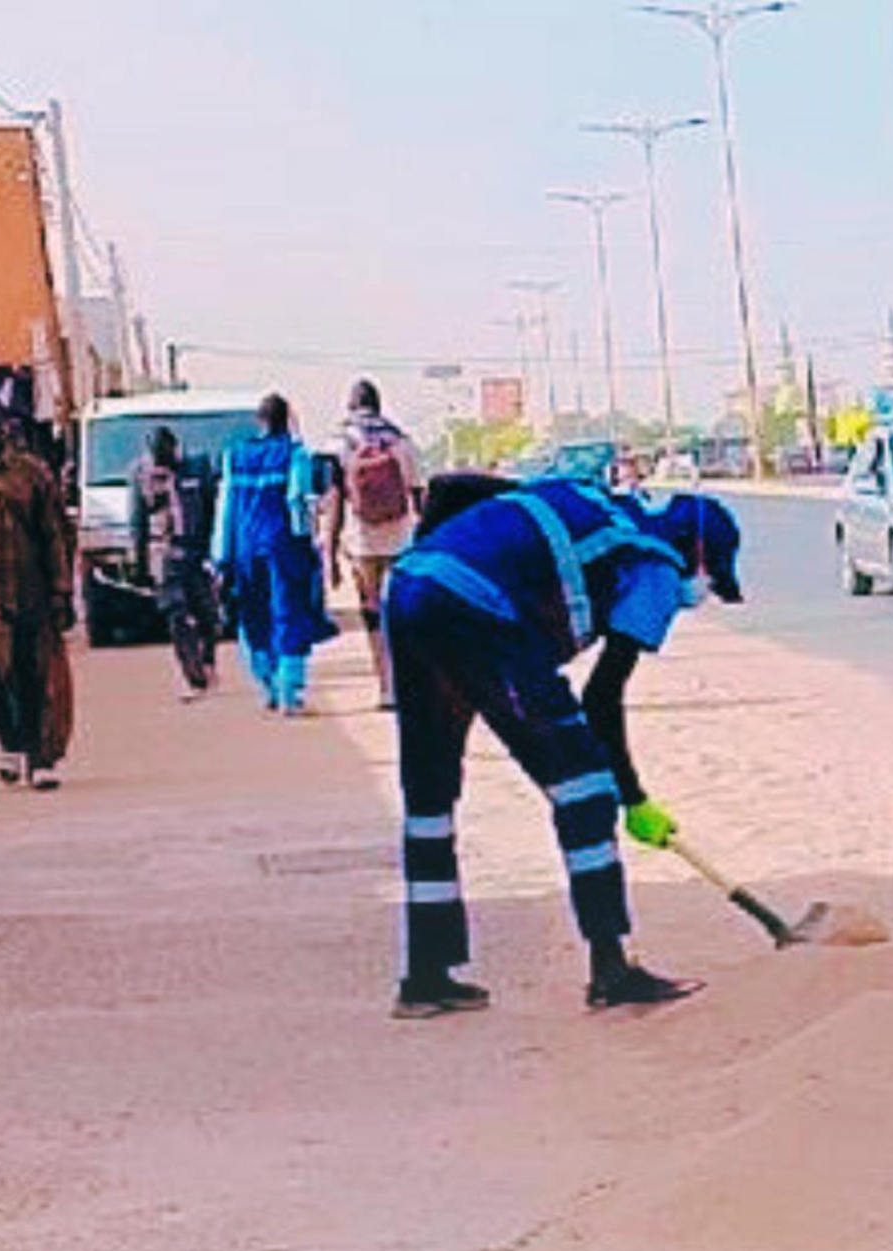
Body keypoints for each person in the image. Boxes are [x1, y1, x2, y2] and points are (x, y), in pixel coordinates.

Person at [384, 476, 745, 1019]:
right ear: (698, 553)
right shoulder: (656, 564)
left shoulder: (593, 502)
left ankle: (427, 978)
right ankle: (611, 969)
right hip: (478, 612)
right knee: (585, 789)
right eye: (710, 579)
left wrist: (438, 551)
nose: (698, 591)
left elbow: (451, 487)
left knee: (429, 796)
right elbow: (602, 696)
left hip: (410, 586)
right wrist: (631, 797)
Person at [0, 388, 75, 790]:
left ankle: (37, 757)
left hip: (30, 586)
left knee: (31, 673)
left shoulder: (30, 474)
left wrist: (61, 590)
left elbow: (54, 534)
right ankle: (6, 743)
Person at [216, 394, 330, 716]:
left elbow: (225, 510)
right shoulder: (295, 454)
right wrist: (308, 543)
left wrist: (221, 555)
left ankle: (266, 684)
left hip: (245, 548)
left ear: (259, 420)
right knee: (289, 613)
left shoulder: (234, 456)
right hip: (283, 545)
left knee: (253, 617)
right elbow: (298, 501)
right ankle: (290, 693)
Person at [327, 380, 423, 710]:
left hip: (361, 543)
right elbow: (418, 494)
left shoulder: (342, 444)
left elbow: (335, 501)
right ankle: (407, 682)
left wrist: (329, 554)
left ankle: (386, 687)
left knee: (372, 616)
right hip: (400, 539)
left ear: (351, 406)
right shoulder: (402, 441)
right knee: (400, 613)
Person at [131, 426, 223, 701]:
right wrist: (140, 563)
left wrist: (214, 550)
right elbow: (137, 520)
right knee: (177, 615)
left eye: (164, 453)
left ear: (175, 447)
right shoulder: (142, 476)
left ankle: (207, 661)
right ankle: (193, 677)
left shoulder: (197, 467)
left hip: (196, 552)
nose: (160, 460)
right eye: (155, 455)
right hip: (166, 554)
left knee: (207, 615)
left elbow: (212, 509)